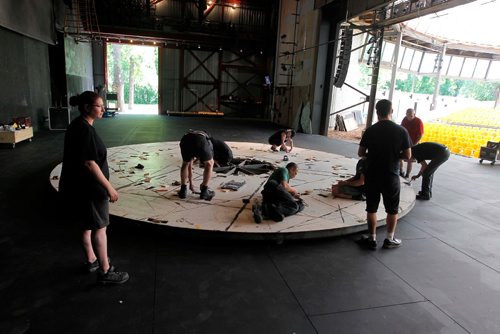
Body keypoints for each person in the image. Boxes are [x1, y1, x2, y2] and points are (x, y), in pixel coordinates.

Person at [59, 91, 129, 285]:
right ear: (88, 107)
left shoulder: (76, 125)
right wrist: (109, 188)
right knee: (100, 228)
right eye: (99, 106)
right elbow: (90, 163)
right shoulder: (85, 130)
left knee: (86, 225)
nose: (103, 109)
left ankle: (91, 260)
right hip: (90, 188)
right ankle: (106, 272)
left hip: (76, 186)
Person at [357, 99, 412, 250]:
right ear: (391, 111)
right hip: (391, 175)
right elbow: (408, 155)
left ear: (377, 112)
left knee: (371, 208)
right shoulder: (401, 131)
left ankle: (372, 238)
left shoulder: (370, 130)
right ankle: (389, 238)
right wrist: (394, 155)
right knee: (392, 209)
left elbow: (361, 153)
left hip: (373, 174)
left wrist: (374, 155)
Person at [178, 130, 233, 200]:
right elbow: (206, 156)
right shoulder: (206, 138)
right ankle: (204, 191)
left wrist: (191, 184)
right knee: (210, 163)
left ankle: (183, 190)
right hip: (199, 140)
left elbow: (190, 165)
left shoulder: (191, 135)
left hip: (185, 140)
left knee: (185, 164)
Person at [400, 108, 424, 178]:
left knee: (409, 159)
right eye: (407, 115)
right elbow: (401, 129)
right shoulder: (405, 119)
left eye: (410, 115)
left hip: (413, 143)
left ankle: (407, 174)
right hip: (404, 142)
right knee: (399, 157)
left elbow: (420, 135)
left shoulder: (418, 121)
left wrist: (414, 144)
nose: (408, 117)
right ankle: (401, 171)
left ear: (414, 114)